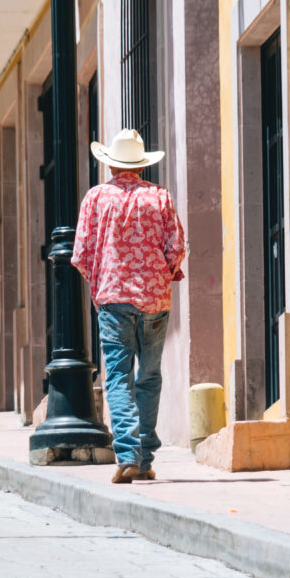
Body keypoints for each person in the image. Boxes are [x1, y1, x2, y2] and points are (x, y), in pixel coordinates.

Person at [72, 129, 186, 484]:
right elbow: (177, 247)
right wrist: (159, 277)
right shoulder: (160, 197)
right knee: (149, 378)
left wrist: (102, 282)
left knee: (119, 378)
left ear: (110, 165)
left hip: (114, 300)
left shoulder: (96, 198)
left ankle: (127, 454)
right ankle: (146, 457)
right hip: (155, 301)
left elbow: (81, 254)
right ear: (140, 165)